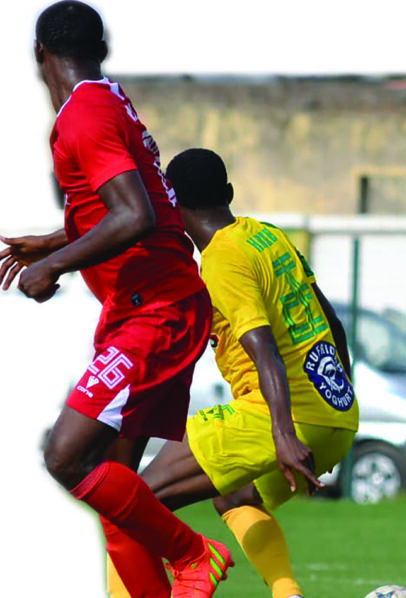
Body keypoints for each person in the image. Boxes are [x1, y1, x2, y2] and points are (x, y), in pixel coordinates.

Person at [0, 2, 232, 597]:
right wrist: (51, 241)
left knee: (65, 457)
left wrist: (52, 265)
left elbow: (135, 215)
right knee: (115, 490)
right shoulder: (107, 100)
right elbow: (133, 202)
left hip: (156, 310)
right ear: (99, 50)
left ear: (38, 54)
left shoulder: (85, 116)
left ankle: (193, 554)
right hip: (147, 304)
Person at [129, 147, 357, 598]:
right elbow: (332, 322)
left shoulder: (222, 258)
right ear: (229, 193)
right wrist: (335, 410)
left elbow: (263, 348)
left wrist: (285, 436)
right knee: (235, 497)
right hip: (337, 414)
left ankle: (189, 565)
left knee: (132, 503)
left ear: (171, 202)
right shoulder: (269, 236)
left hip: (279, 418)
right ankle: (288, 593)